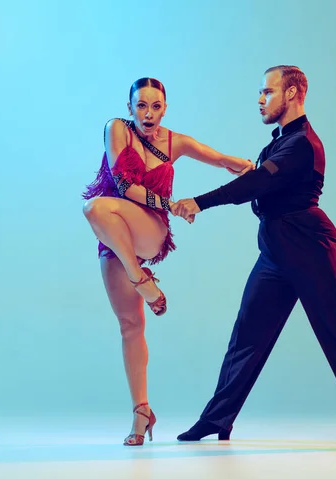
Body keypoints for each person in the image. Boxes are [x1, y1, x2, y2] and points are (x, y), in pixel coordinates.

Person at [172, 66, 336, 452]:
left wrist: (199, 203)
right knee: (247, 335)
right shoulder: (280, 141)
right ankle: (216, 419)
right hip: (275, 249)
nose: (260, 99)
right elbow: (261, 180)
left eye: (267, 92)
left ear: (292, 94)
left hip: (310, 247)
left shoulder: (302, 142)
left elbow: (257, 184)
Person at [82, 77, 253, 447]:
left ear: (165, 108)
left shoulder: (177, 142)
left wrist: (246, 166)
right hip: (116, 238)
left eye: (155, 106)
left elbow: (222, 160)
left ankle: (140, 276)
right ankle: (141, 411)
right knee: (130, 325)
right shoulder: (116, 129)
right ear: (129, 108)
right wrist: (172, 203)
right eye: (141, 106)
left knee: (94, 206)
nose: (148, 113)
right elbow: (124, 185)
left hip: (149, 231)